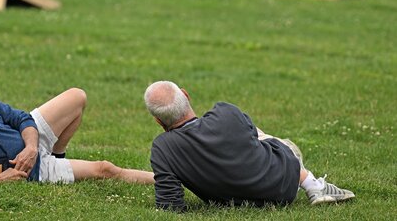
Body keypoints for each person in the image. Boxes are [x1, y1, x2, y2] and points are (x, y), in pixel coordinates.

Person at [0, 52, 154, 190]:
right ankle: (167, 179)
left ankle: (57, 158)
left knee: (77, 96)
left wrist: (31, 147)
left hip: (30, 144)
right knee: (106, 169)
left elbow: (20, 118)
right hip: (31, 169)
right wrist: (2, 178)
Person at [143, 81, 355, 212]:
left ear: (159, 122)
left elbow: (170, 205)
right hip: (282, 186)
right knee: (259, 135)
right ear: (186, 95)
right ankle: (313, 185)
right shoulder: (225, 112)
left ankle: (312, 184)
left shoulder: (162, 149)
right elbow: (252, 141)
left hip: (233, 202)